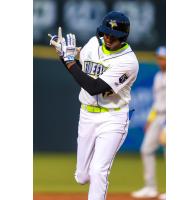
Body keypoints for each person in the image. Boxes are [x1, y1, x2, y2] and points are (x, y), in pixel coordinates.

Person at [48, 11, 139, 200]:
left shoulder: (128, 61)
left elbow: (94, 87)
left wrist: (69, 60)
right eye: (105, 33)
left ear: (123, 37)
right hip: (87, 115)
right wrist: (64, 57)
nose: (107, 37)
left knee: (98, 171)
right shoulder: (92, 44)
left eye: (113, 35)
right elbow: (79, 72)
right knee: (82, 176)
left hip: (113, 118)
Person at [131, 46, 166, 198]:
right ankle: (150, 187)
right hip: (158, 116)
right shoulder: (158, 76)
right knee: (146, 149)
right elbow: (157, 101)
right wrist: (150, 119)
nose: (160, 60)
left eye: (163, 58)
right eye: (158, 57)